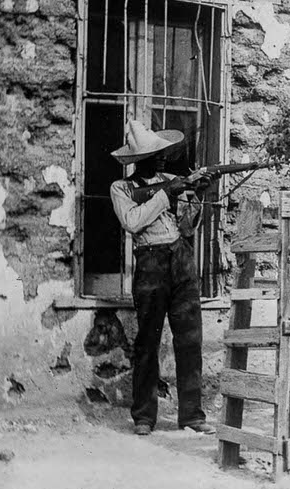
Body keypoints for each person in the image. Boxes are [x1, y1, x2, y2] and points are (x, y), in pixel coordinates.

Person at [110, 119, 216, 436]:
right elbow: (132, 221)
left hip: (180, 257)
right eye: (154, 155)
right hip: (151, 263)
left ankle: (192, 415)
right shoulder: (123, 188)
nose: (161, 158)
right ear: (139, 160)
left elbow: (186, 227)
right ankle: (144, 416)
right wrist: (165, 195)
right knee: (147, 343)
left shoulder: (171, 180)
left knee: (190, 339)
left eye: (160, 154)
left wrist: (194, 195)